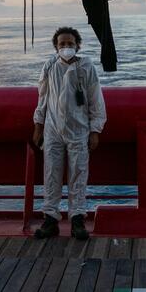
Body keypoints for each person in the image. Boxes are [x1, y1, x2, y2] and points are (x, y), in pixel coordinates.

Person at [32, 27, 106, 240]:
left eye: (70, 44)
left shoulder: (86, 67)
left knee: (78, 175)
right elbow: (43, 97)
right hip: (52, 129)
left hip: (79, 130)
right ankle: (50, 220)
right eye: (62, 44)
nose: (66, 47)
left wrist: (95, 130)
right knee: (51, 174)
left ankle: (77, 220)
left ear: (77, 45)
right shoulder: (49, 66)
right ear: (56, 46)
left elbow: (95, 99)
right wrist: (38, 125)